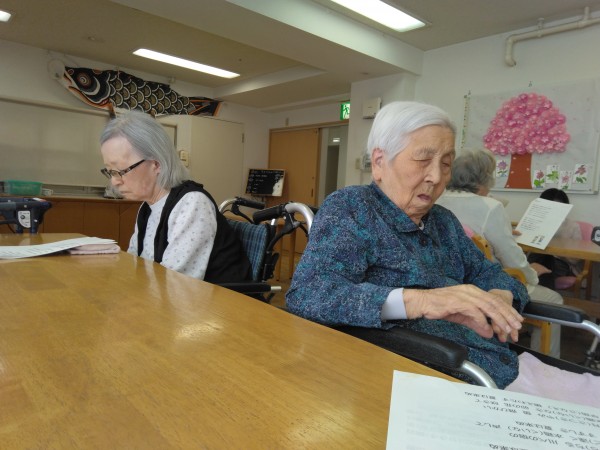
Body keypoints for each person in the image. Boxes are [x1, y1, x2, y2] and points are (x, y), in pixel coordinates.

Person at [286, 101, 600, 407]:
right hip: (432, 376)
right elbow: (308, 294)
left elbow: (490, 273)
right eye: (423, 159)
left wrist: (499, 297)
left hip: (495, 361)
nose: (437, 177)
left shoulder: (443, 221)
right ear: (380, 162)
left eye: (446, 164)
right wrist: (423, 301)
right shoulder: (352, 209)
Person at [436, 149, 564, 358]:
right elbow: (512, 259)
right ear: (484, 179)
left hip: (448, 283)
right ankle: (544, 360)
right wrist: (532, 274)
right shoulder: (491, 207)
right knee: (554, 298)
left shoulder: (437, 200)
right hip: (485, 286)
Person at [99, 110, 251, 283]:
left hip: (218, 298)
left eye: (121, 170)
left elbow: (174, 282)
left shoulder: (192, 204)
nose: (114, 181)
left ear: (156, 164)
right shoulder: (147, 207)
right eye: (110, 171)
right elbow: (136, 263)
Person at [527, 188, 583, 289]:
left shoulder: (572, 226)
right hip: (535, 259)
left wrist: (558, 247)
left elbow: (576, 259)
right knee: (539, 256)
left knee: (546, 257)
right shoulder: (535, 223)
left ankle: (540, 293)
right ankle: (544, 294)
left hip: (561, 263)